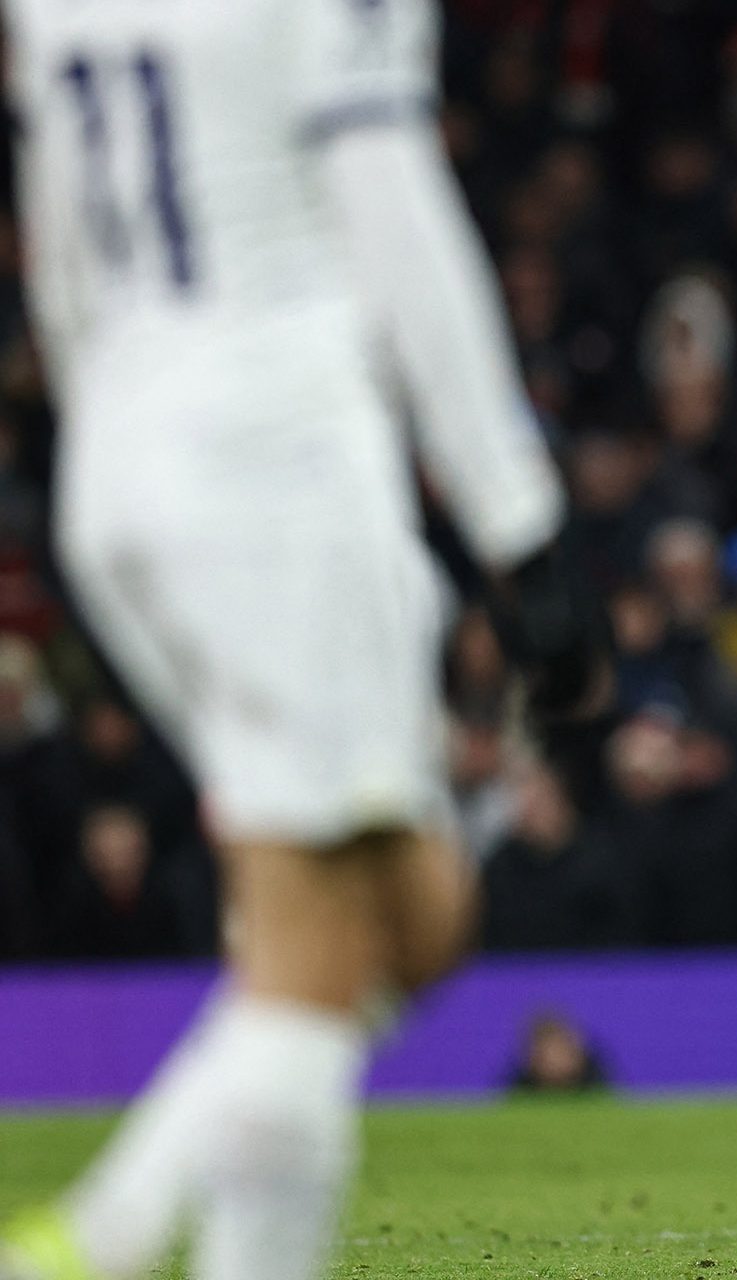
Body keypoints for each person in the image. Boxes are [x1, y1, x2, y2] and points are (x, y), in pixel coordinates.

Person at [0, 1, 598, 1278]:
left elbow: (54, 242)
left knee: (412, 916)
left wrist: (106, 443)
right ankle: (91, 1245)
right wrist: (520, 524)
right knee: (322, 938)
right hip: (273, 457)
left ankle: (104, 1234)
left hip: (120, 454)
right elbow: (393, 209)